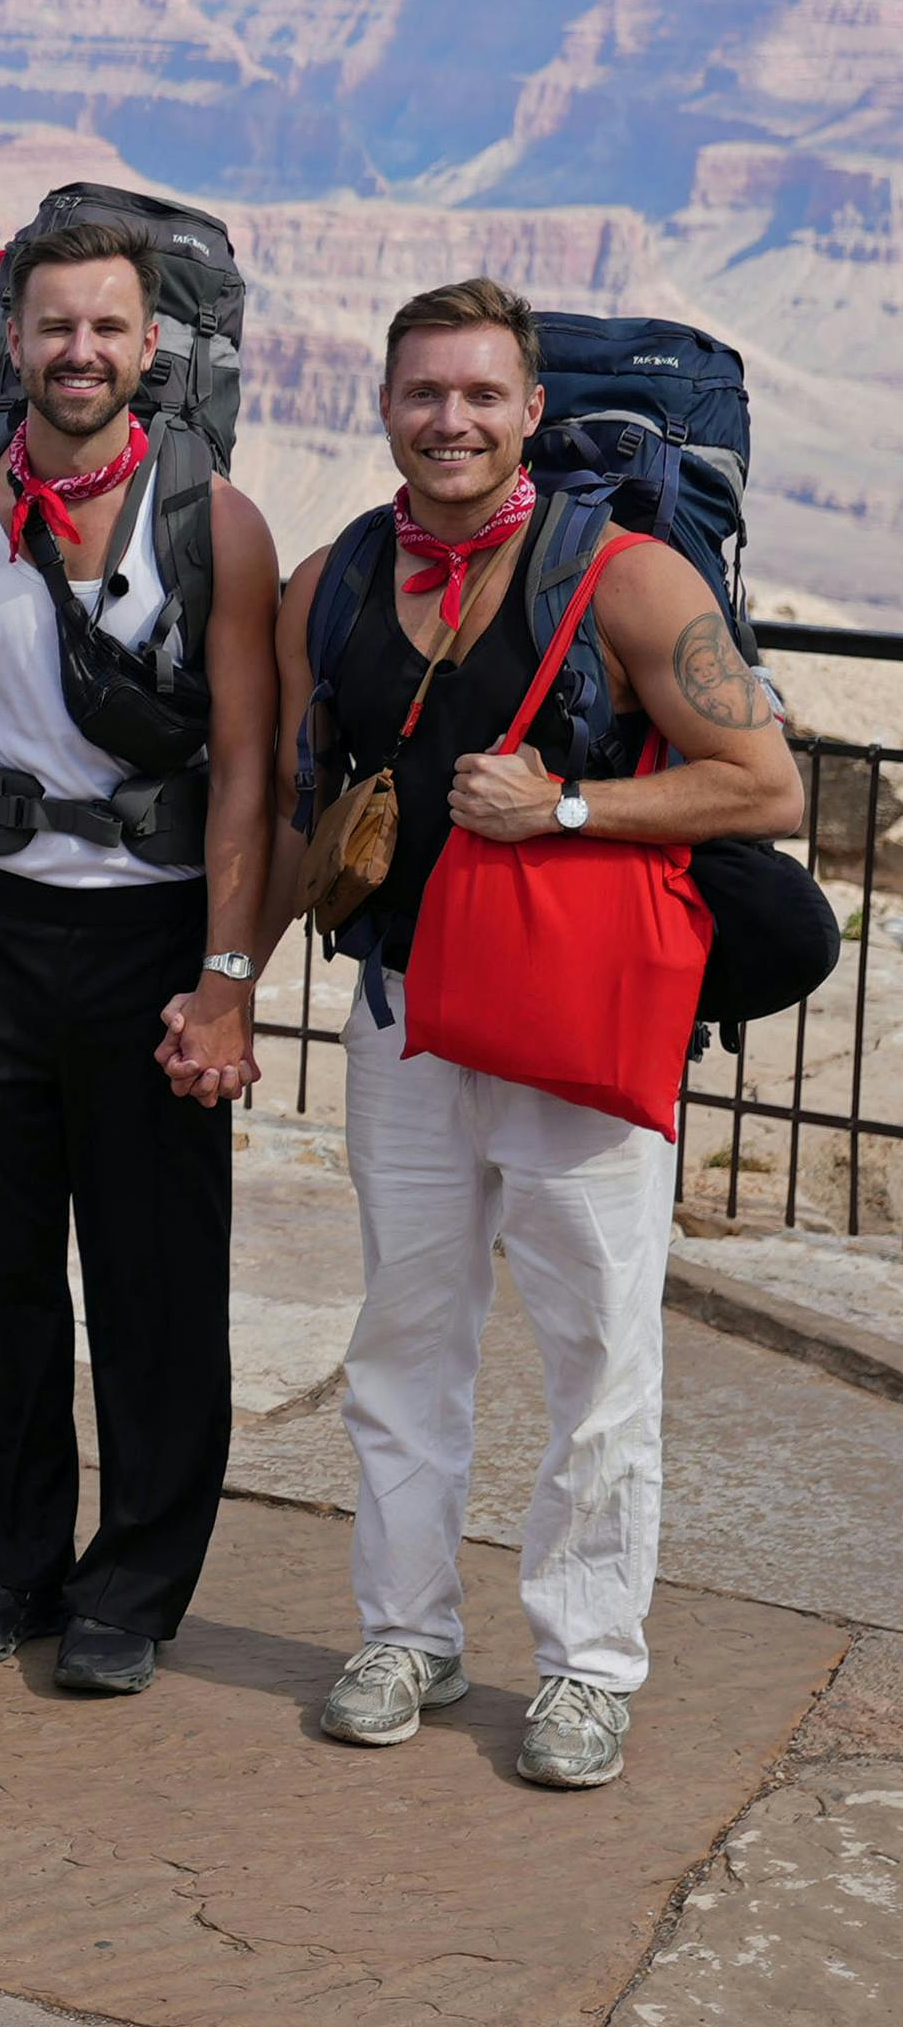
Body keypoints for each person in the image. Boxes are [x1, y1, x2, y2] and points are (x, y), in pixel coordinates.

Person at [276, 280, 800, 1787]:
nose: (451, 419)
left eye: (481, 395)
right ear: (386, 408)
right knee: (408, 1336)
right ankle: (407, 1634)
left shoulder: (626, 578)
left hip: (573, 1024)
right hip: (405, 1014)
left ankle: (586, 1666)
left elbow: (763, 784)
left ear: (530, 414)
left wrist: (567, 804)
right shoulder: (344, 575)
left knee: (598, 1354)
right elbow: (279, 766)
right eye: (423, 393)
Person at [0, 218, 282, 1695]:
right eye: (55, 327)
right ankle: (12, 1562)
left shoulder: (214, 522)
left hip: (154, 936)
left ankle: (135, 1589)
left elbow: (247, 769)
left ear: (151, 347)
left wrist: (227, 976)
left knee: (158, 1274)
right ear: (13, 340)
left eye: (108, 328)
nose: (81, 353)